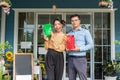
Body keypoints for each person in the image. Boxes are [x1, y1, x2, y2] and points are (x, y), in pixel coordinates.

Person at [67, 14, 94, 80]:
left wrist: (79, 49)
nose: (74, 22)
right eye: (72, 21)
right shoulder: (69, 34)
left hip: (80, 59)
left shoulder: (85, 32)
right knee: (71, 78)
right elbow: (67, 46)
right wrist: (66, 48)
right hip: (70, 59)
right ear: (71, 22)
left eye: (76, 20)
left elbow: (91, 45)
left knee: (83, 78)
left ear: (79, 21)